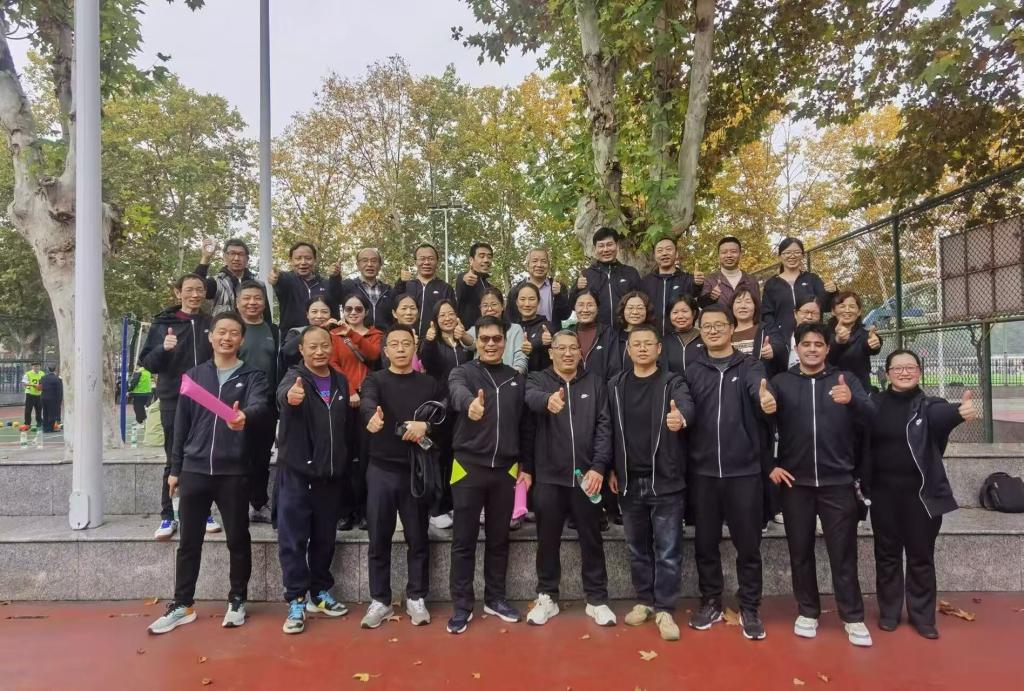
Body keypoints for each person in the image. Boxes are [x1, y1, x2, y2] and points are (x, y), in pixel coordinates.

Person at [147, 312, 268, 635]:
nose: (227, 338)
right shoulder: (194, 376)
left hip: (234, 471)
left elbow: (259, 406)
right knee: (189, 542)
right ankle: (183, 604)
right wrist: (175, 469)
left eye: (234, 333)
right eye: (221, 332)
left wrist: (245, 416)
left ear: (241, 340)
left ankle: (237, 599)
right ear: (211, 337)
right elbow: (181, 426)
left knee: (238, 540)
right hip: (195, 469)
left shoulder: (253, 376)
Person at [762, 322, 876, 648]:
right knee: (800, 551)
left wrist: (852, 400)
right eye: (806, 344)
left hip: (837, 481)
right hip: (795, 483)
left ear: (827, 348)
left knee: (844, 554)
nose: (812, 349)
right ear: (796, 348)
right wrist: (770, 465)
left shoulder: (845, 380)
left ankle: (852, 617)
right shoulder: (781, 383)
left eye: (818, 344)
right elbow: (761, 427)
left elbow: (872, 416)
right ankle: (808, 611)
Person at [865, 349, 979, 639]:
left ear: (919, 371)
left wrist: (960, 412)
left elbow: (945, 415)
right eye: (897, 368)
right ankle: (889, 612)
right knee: (886, 555)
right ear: (887, 373)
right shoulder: (874, 403)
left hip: (921, 496)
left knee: (920, 556)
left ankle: (922, 616)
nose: (904, 372)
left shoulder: (930, 406)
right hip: (883, 494)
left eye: (910, 367)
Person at [683, 306, 770, 640]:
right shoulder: (693, 370)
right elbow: (686, 407)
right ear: (700, 331)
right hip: (703, 472)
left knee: (748, 545)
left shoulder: (749, 366)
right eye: (706, 326)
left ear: (732, 328)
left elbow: (758, 389)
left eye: (719, 325)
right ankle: (711, 601)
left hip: (743, 471)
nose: (713, 330)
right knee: (705, 543)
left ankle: (749, 606)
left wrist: (765, 398)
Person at [523, 330, 616, 627]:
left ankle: (597, 599)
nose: (567, 353)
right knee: (547, 540)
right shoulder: (538, 380)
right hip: (549, 477)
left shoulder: (595, 383)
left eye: (572, 348)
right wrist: (547, 401)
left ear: (580, 352)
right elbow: (530, 398)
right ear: (551, 352)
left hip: (587, 477)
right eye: (560, 348)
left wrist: (599, 467)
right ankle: (547, 596)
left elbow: (604, 426)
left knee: (592, 538)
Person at [608, 324, 695, 641]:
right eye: (637, 344)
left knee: (668, 550)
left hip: (666, 481)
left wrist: (680, 418)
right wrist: (610, 468)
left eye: (648, 343)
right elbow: (608, 429)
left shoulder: (673, 382)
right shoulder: (615, 385)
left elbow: (687, 406)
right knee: (637, 549)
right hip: (629, 481)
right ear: (628, 349)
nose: (642, 348)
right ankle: (644, 601)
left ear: (659, 349)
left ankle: (665, 609)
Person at [446, 316, 529, 634]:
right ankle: (462, 605)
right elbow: (456, 393)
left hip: (505, 470)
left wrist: (526, 466)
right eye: (484, 339)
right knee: (463, 541)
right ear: (476, 341)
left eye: (496, 339)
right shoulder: (462, 372)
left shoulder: (516, 378)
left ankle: (495, 599)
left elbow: (525, 426)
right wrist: (470, 405)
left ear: (505, 341)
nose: (491, 344)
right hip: (467, 467)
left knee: (499, 539)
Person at [359, 324, 445, 629]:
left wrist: (427, 427)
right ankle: (380, 600)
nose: (400, 348)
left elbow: (442, 416)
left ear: (414, 347)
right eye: (394, 344)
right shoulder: (375, 380)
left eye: (405, 343)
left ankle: (416, 597)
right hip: (381, 469)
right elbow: (367, 402)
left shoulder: (429, 383)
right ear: (385, 350)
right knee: (378, 538)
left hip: (415, 470)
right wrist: (372, 417)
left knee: (418, 537)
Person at [276, 326, 351, 634]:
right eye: (313, 347)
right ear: (301, 350)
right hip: (297, 474)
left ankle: (319, 592)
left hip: (330, 474)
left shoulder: (340, 380)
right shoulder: (294, 378)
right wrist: (289, 397)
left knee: (325, 538)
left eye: (324, 346)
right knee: (293, 540)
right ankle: (296, 599)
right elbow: (283, 395)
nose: (319, 352)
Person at [139, 274, 215, 540]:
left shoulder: (211, 322)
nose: (195, 295)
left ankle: (203, 512)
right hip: (174, 398)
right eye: (189, 290)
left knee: (203, 456)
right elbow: (148, 363)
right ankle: (168, 515)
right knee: (174, 456)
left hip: (206, 399)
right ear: (178, 292)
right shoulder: (163, 323)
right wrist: (163, 348)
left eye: (200, 290)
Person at [330, 294, 383, 531]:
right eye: (348, 308)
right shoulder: (333, 336)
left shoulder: (376, 334)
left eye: (358, 309)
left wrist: (351, 334)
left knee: (366, 456)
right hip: (344, 398)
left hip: (370, 399)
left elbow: (373, 355)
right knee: (344, 455)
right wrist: (350, 389)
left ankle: (364, 510)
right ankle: (344, 511)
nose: (353, 313)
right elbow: (332, 364)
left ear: (366, 311)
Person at [419, 299, 470, 529]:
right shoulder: (433, 342)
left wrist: (466, 339)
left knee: (459, 457)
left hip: (463, 408)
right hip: (442, 408)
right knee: (440, 458)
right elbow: (427, 361)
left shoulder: (463, 342)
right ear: (435, 320)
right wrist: (429, 341)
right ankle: (437, 508)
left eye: (451, 313)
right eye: (442, 315)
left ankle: (455, 504)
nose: (447, 318)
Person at [236, 281, 280, 524]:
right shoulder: (232, 329)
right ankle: (235, 505)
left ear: (264, 302)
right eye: (247, 298)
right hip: (236, 403)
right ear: (237, 302)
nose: (252, 303)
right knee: (236, 455)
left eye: (257, 298)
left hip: (266, 404)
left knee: (262, 456)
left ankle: (259, 504)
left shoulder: (274, 331)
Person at [760, 237, 835, 334]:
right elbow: (767, 315)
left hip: (811, 336)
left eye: (796, 252)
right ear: (780, 257)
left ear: (802, 255)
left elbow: (827, 306)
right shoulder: (772, 284)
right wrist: (774, 336)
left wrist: (833, 292)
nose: (792, 256)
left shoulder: (812, 279)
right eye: (787, 253)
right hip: (782, 338)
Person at [570, 227, 642, 326]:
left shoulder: (630, 273)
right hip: (597, 332)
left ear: (617, 245)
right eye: (601, 246)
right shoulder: (586, 275)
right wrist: (576, 289)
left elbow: (642, 303)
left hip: (625, 331)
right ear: (595, 249)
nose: (605, 249)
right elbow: (572, 306)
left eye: (609, 245)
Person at [194, 238, 270, 318]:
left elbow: (266, 315)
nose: (236, 258)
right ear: (224, 257)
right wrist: (205, 258)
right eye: (232, 253)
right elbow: (195, 287)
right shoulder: (216, 282)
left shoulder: (258, 284)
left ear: (247, 259)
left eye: (241, 254)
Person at [640, 237, 702, 335]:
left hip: (681, 337)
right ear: (654, 256)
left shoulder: (688, 280)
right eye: (660, 251)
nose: (664, 253)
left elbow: (697, 295)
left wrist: (698, 284)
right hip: (652, 337)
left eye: (668, 249)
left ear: (676, 253)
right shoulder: (645, 282)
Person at [269, 242, 333, 333]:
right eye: (298, 258)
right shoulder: (285, 279)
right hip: (292, 336)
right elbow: (278, 281)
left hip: (321, 336)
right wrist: (275, 279)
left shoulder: (325, 283)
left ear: (315, 260)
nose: (303, 262)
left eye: (308, 258)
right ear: (291, 260)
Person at [394, 243, 455, 338]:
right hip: (408, 340)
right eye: (422, 259)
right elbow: (393, 309)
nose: (426, 262)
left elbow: (452, 316)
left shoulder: (445, 288)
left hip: (435, 340)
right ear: (415, 262)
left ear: (437, 262)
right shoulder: (406, 286)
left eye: (431, 259)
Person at [827, 291, 883, 392]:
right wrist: (837, 342)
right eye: (842, 306)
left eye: (852, 306)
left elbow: (869, 344)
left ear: (859, 311)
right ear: (833, 311)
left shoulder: (865, 335)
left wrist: (875, 343)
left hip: (859, 390)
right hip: (830, 388)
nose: (847, 310)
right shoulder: (824, 334)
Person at [465, 287, 528, 374]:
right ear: (480, 308)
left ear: (503, 306)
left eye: (494, 304)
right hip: (481, 378)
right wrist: (462, 334)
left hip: (510, 377)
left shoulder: (515, 329)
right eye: (485, 305)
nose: (489, 309)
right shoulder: (476, 329)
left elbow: (520, 361)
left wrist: (511, 378)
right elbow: (470, 343)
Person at [331, 247, 395, 330]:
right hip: (355, 335)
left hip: (383, 335)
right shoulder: (348, 286)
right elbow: (334, 296)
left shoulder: (388, 290)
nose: (369, 264)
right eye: (365, 260)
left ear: (380, 266)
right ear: (358, 265)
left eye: (374, 261)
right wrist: (335, 278)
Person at [729, 287, 787, 376]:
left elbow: (780, 346)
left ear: (755, 306)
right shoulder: (726, 332)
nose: (743, 306)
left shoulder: (767, 329)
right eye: (738, 302)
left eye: (748, 302)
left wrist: (774, 349)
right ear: (732, 306)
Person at [506, 247, 571, 325]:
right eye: (535, 261)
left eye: (543, 261)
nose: (539, 265)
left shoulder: (559, 287)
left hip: (552, 332)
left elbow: (565, 315)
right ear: (527, 265)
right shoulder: (515, 291)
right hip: (524, 332)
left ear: (549, 265)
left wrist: (559, 296)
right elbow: (510, 319)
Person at [698, 236, 762, 311]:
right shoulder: (710, 281)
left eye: (733, 252)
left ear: (740, 254)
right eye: (724, 252)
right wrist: (711, 297)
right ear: (718, 255)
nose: (729, 255)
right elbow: (702, 305)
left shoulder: (751, 281)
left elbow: (758, 309)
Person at [279, 296, 340, 372]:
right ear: (307, 314)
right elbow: (286, 352)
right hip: (303, 376)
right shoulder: (297, 332)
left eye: (324, 312)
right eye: (314, 312)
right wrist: (318, 329)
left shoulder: (338, 333)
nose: (319, 316)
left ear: (330, 314)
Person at [570, 291, 616, 382]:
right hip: (573, 388)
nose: (585, 310)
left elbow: (615, 370)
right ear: (574, 308)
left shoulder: (609, 333)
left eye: (590, 305)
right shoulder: (567, 334)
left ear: (597, 308)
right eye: (580, 305)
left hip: (602, 389)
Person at [515, 282, 556, 373]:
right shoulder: (512, 328)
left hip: (542, 378)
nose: (527, 304)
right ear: (517, 302)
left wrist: (548, 342)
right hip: (515, 378)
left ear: (538, 302)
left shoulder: (547, 326)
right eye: (522, 299)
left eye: (532, 299)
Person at [609, 290, 654, 374]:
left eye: (640, 308)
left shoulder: (654, 337)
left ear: (647, 311)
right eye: (630, 308)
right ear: (623, 310)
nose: (635, 312)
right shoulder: (613, 337)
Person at [660, 295, 704, 374]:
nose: (680, 316)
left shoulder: (704, 338)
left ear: (693, 313)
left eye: (684, 311)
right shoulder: (664, 341)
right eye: (675, 312)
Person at [455, 242, 494, 328]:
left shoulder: (490, 287)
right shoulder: (465, 279)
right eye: (482, 256)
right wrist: (464, 279)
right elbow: (463, 281)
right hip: (468, 333)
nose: (486, 260)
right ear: (471, 260)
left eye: (489, 257)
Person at [39, 367, 63, 433]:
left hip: (43, 398)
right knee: (52, 414)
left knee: (45, 413)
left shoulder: (42, 378)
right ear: (55, 370)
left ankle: (45, 428)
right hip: (53, 399)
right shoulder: (57, 379)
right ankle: (50, 428)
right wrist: (59, 401)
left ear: (48, 370)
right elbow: (59, 391)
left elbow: (40, 387)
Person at [21, 362, 43, 428]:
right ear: (32, 367)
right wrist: (34, 385)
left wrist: (41, 387)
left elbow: (44, 383)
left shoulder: (42, 373)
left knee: (39, 410)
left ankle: (39, 422)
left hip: (39, 394)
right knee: (28, 410)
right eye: (35, 366)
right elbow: (24, 383)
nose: (37, 367)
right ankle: (27, 423)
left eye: (38, 366)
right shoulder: (28, 374)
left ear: (40, 367)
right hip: (30, 394)